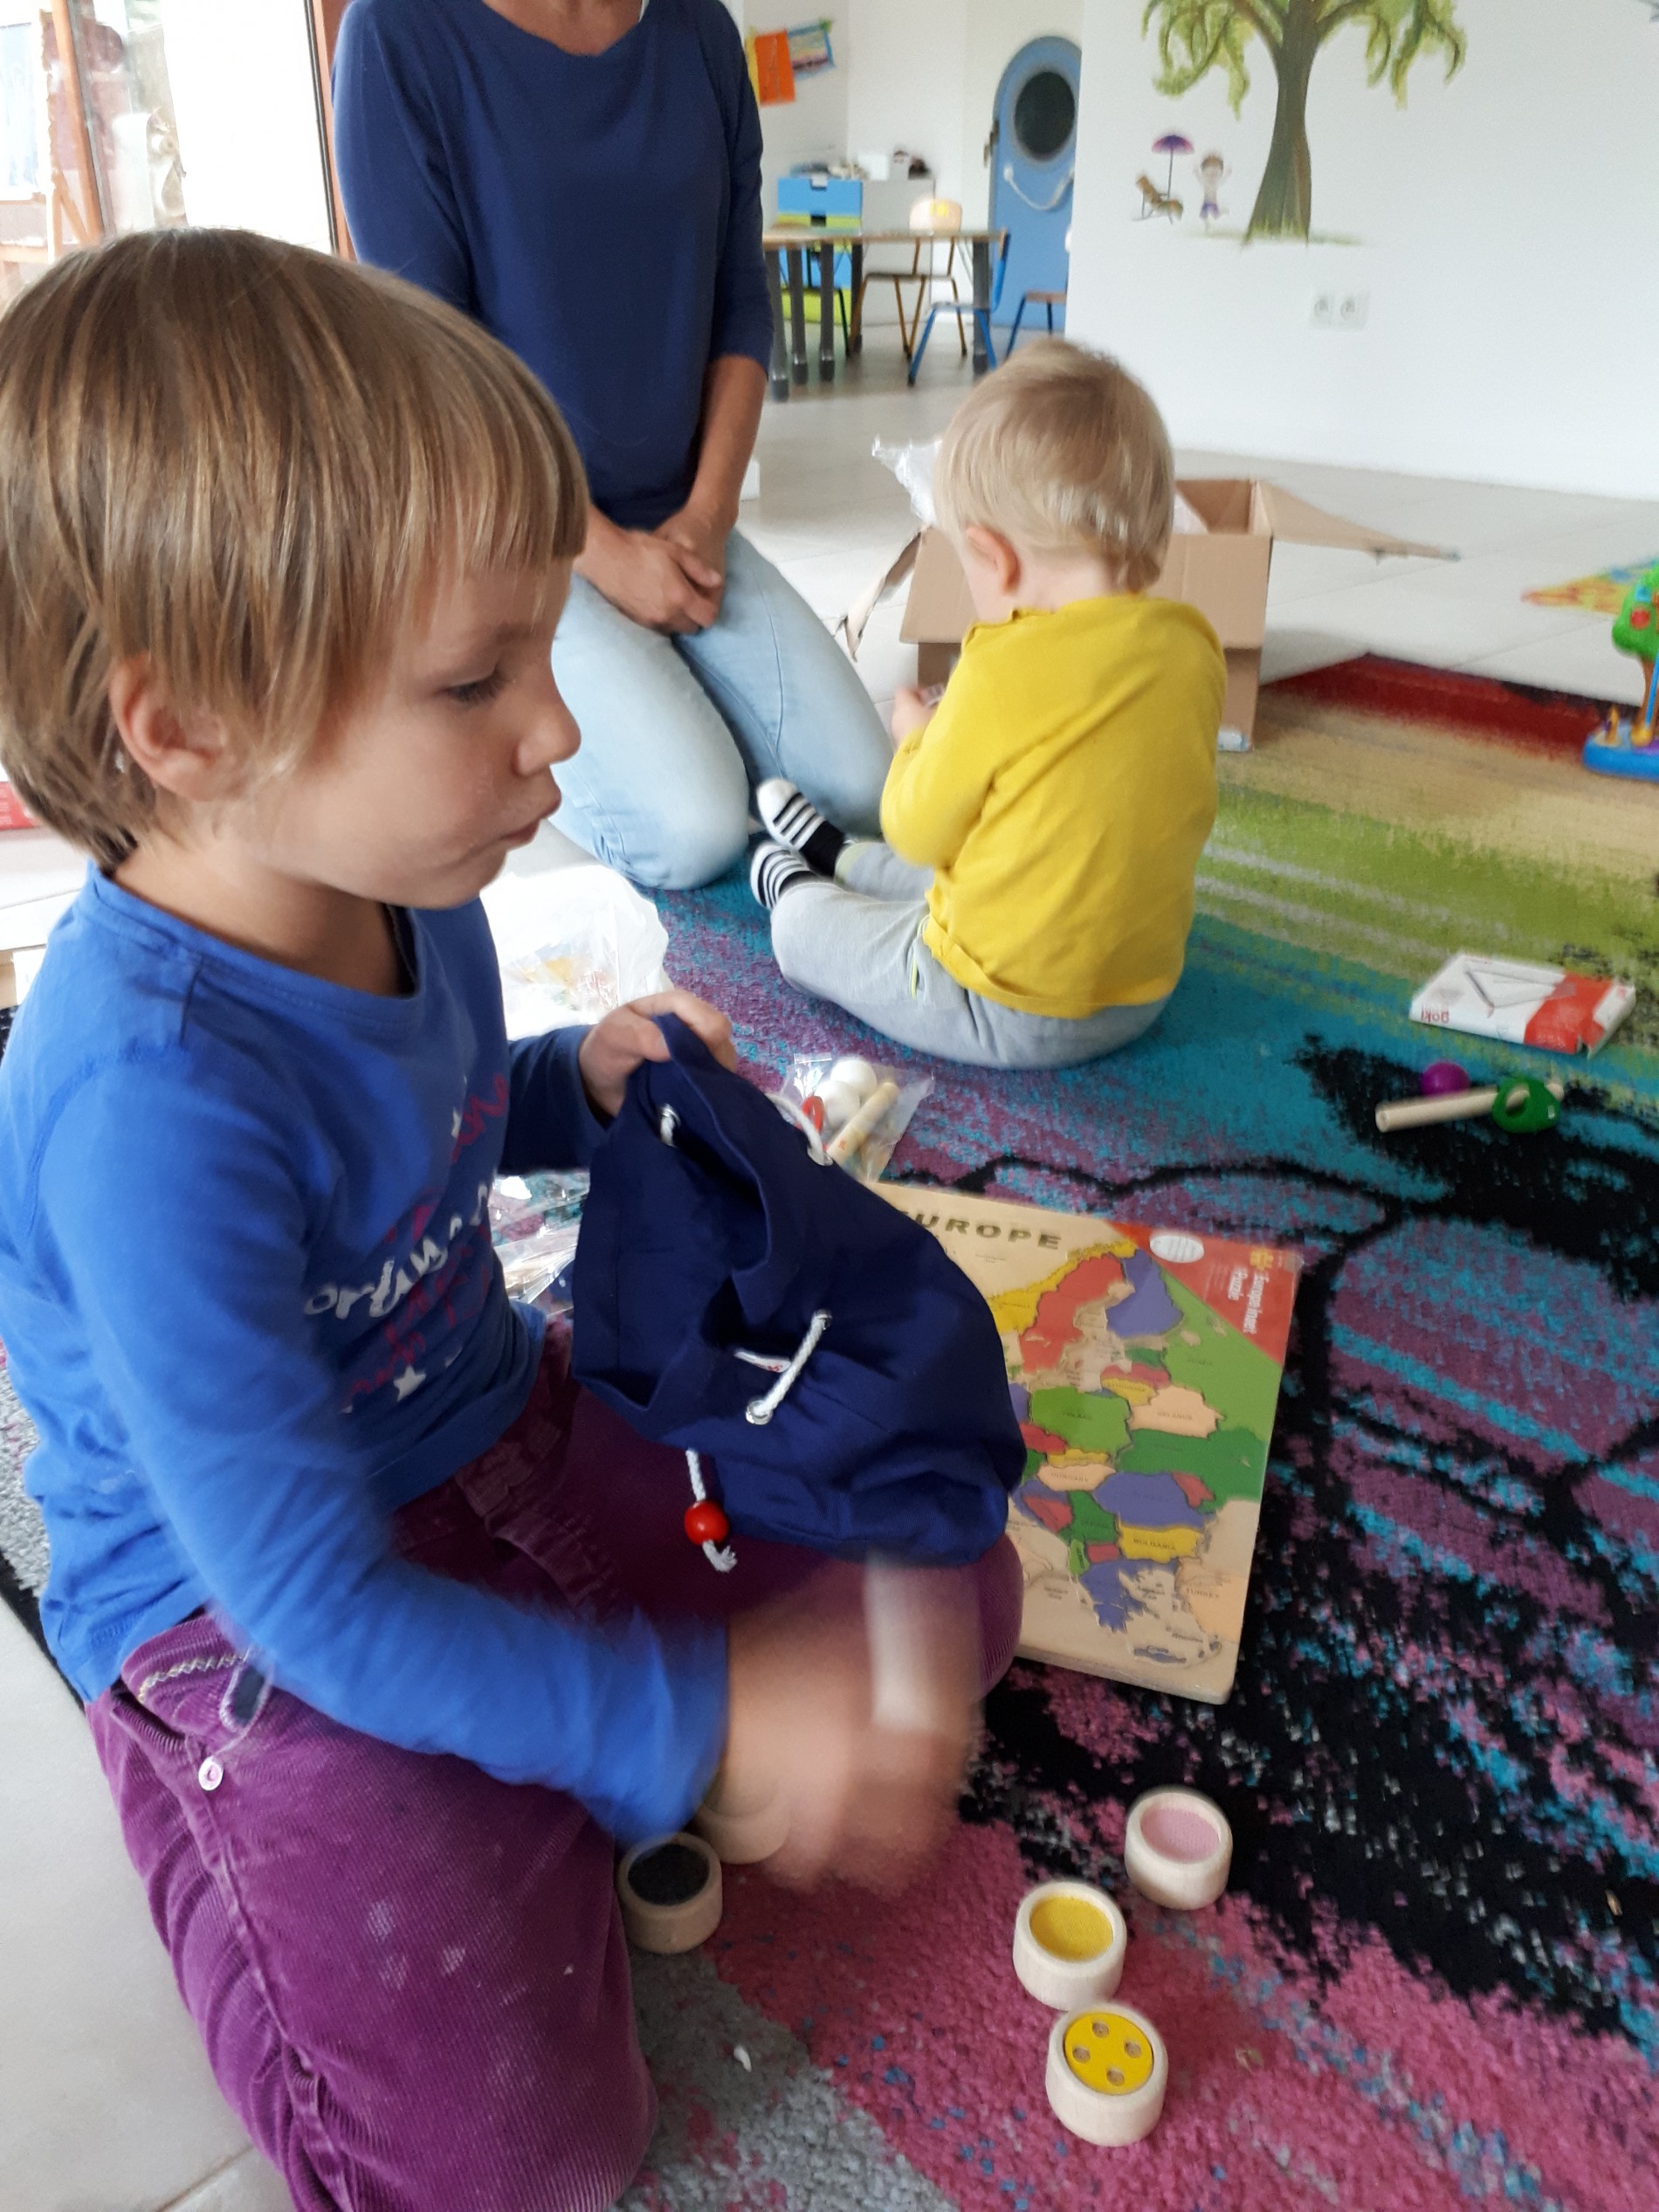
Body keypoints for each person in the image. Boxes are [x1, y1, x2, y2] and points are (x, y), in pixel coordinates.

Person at [0, 232, 1019, 2212]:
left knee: (942, 1591)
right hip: (251, 1616)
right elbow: (315, 1605)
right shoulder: (144, 1105)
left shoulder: (412, 879)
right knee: (512, 2156)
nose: (555, 729)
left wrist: (575, 1076)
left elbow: (427, 1126)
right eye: (477, 680)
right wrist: (691, 1719)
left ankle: (532, 1752)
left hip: (498, 1432)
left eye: (541, 649)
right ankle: (253, 1862)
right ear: (183, 732)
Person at [332, 0, 893, 891]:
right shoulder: (397, 34)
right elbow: (428, 371)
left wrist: (708, 516)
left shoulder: (701, 32)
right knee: (696, 828)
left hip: (682, 517)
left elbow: (742, 304)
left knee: (864, 788)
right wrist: (603, 555)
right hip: (512, 540)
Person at [748, 341, 1227, 1070]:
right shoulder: (1194, 644)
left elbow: (917, 830)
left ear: (995, 558)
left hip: (1001, 1005)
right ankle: (836, 854)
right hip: (1141, 993)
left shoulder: (1001, 666)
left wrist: (916, 736)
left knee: (801, 933)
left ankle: (800, 882)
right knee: (983, 859)